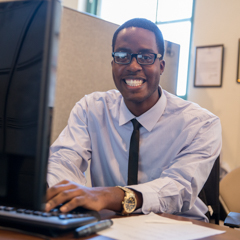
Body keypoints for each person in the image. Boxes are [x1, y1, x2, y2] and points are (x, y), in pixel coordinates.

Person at [46, 18, 222, 222]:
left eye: (146, 57)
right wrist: (57, 190)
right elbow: (64, 159)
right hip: (111, 226)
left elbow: (178, 188)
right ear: (113, 64)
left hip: (180, 228)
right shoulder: (91, 109)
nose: (133, 65)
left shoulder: (201, 124)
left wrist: (113, 196)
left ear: (161, 65)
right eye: (122, 56)